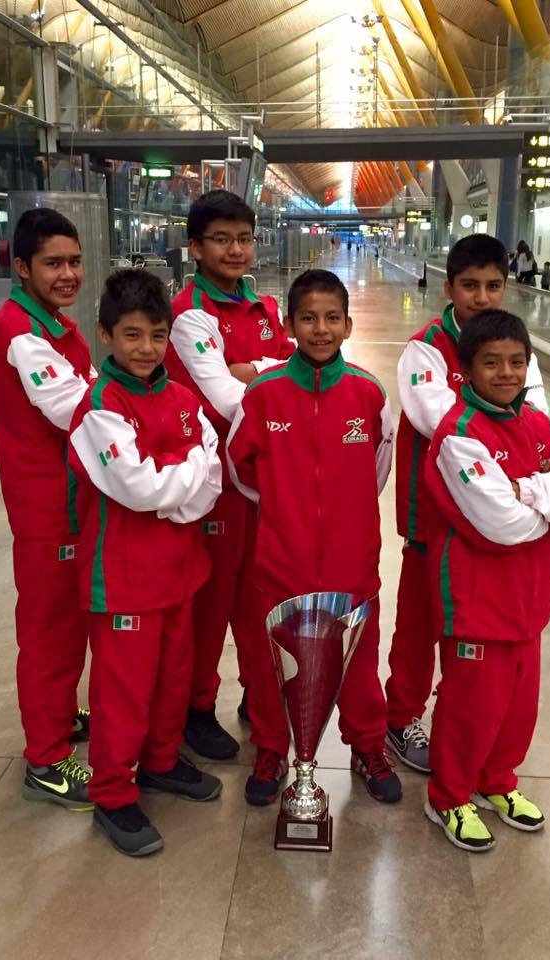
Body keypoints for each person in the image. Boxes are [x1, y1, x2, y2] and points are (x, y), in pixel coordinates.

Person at [227, 269, 402, 806]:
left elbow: (378, 467)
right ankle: (273, 747)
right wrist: (285, 508)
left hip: (352, 563)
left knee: (357, 663)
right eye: (308, 318)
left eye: (331, 318)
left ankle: (368, 745)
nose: (320, 329)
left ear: (348, 325)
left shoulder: (369, 394)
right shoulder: (262, 394)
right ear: (289, 324)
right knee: (269, 661)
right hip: (282, 561)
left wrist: (345, 516)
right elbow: (239, 469)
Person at [423, 309, 550, 852]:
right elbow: (501, 524)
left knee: (519, 706)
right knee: (472, 705)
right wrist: (542, 494)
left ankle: (497, 782)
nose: (506, 373)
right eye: (491, 363)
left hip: (528, 598)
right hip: (476, 602)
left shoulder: (537, 424)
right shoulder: (458, 435)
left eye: (517, 362)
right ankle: (449, 796)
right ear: (466, 369)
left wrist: (525, 491)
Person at [68, 269, 223, 857]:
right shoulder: (100, 405)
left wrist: (173, 483)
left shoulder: (182, 398)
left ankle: (160, 762)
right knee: (124, 692)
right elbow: (136, 487)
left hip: (180, 569)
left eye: (157, 336)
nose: (146, 349)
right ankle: (112, 793)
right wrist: (178, 483)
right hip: (125, 579)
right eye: (132, 335)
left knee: (171, 680)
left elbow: (213, 474)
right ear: (106, 334)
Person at [386, 235, 548, 774]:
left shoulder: (511, 347)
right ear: (448, 286)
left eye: (493, 286)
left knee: (472, 640)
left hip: (490, 526)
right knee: (418, 627)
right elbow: (446, 428)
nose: (482, 297)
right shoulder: (426, 348)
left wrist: (527, 480)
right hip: (432, 522)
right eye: (470, 286)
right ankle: (401, 716)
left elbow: (538, 425)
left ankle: (467, 732)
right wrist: (523, 473)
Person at [164, 190, 294, 760]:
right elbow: (221, 396)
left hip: (259, 477)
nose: (236, 249)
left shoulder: (264, 307)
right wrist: (263, 375)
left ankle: (256, 691)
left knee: (257, 593)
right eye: (221, 239)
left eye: (244, 238)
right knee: (211, 599)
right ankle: (196, 706)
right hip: (210, 482)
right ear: (195, 247)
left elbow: (288, 371)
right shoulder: (191, 312)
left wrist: (252, 369)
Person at [0, 208, 95, 811]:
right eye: (53, 263)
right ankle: (47, 759)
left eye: (75, 261)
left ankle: (56, 717)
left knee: (67, 625)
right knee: (50, 634)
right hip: (46, 509)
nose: (68, 273)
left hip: (68, 502)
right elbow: (75, 409)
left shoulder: (50, 324)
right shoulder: (21, 333)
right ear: (21, 265)